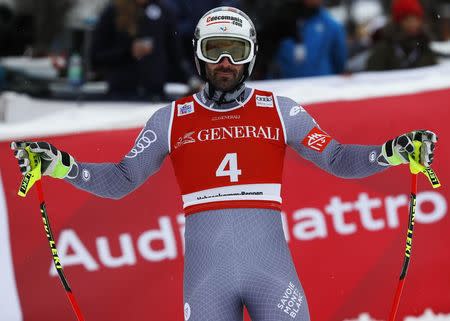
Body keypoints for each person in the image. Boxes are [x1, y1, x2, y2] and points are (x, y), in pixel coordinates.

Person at [11, 7, 438, 321]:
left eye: (235, 51)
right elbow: (123, 179)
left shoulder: (279, 110)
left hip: (273, 277)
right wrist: (64, 166)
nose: (225, 63)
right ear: (199, 53)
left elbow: (338, 158)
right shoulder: (171, 119)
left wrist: (390, 152)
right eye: (215, 51)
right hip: (206, 284)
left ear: (250, 54)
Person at [90, 0, 199, 101]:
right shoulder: (113, 11)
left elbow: (176, 56)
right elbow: (95, 56)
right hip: (120, 96)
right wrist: (128, 52)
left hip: (154, 95)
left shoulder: (164, 11)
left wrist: (192, 81)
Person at [272, 0, 348, 78]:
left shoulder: (332, 25)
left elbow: (339, 62)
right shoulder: (279, 21)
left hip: (322, 86)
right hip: (285, 85)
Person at [366, 0, 437, 71]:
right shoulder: (385, 47)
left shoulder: (424, 46)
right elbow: (373, 73)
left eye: (416, 19)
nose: (413, 24)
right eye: (408, 19)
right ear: (398, 22)